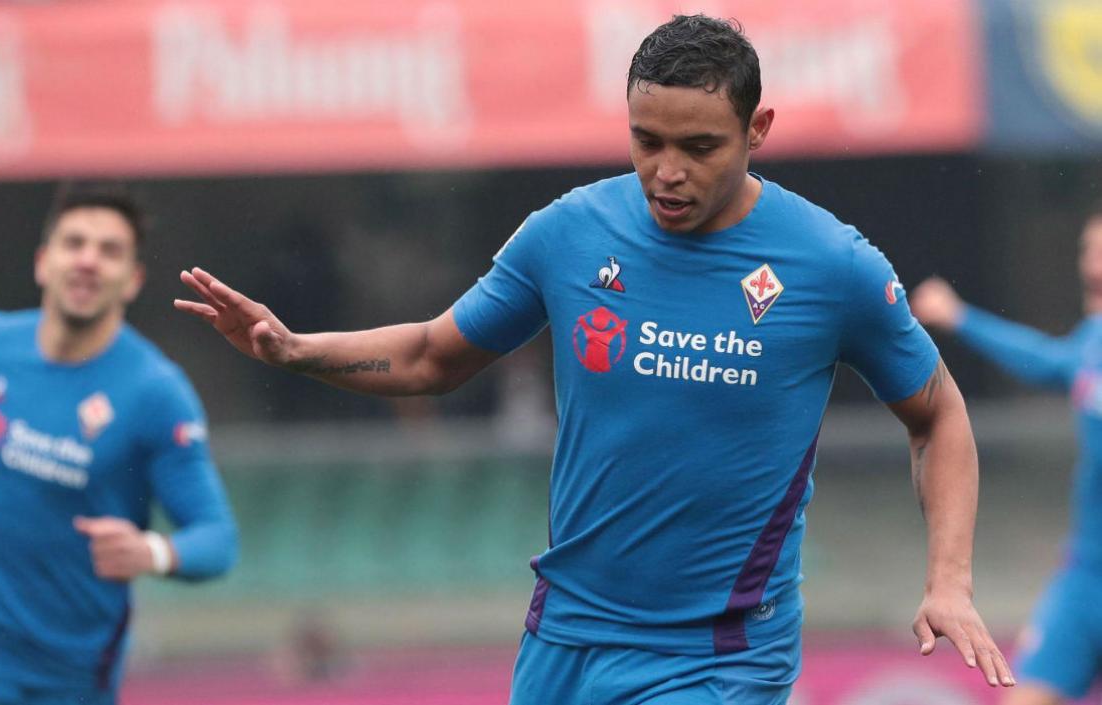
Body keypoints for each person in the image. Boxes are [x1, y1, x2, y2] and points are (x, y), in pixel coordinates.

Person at [176, 14, 1012, 703]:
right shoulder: (570, 233)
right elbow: (434, 355)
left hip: (717, 657)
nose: (667, 171)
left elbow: (937, 413)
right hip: (564, 637)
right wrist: (294, 349)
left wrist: (949, 579)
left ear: (757, 130)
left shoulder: (831, 265)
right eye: (647, 140)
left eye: (699, 146)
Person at [0, 183, 238, 705]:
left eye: (109, 250)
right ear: (43, 262)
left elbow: (217, 538)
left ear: (133, 280)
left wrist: (152, 552)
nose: (88, 260)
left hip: (68, 680)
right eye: (74, 243)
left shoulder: (155, 393)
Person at [911, 206, 1102, 705]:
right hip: (1087, 577)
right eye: (1088, 250)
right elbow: (1046, 361)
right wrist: (960, 318)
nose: (1091, 263)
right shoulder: (1093, 343)